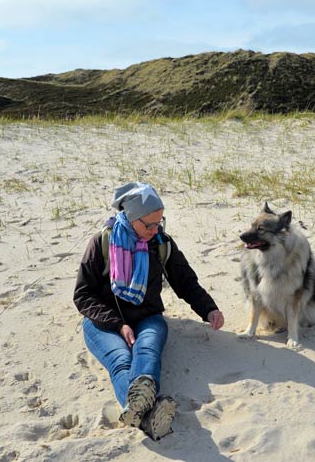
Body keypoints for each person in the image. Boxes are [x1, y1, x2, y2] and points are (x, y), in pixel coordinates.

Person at [73, 182, 225, 440]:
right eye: (149, 225)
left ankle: (142, 411)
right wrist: (117, 324)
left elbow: (184, 280)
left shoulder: (161, 243)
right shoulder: (102, 242)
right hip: (104, 322)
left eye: (159, 223)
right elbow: (82, 295)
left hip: (148, 318)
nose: (156, 230)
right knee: (121, 361)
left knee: (147, 351)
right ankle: (149, 416)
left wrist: (209, 309)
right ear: (132, 217)